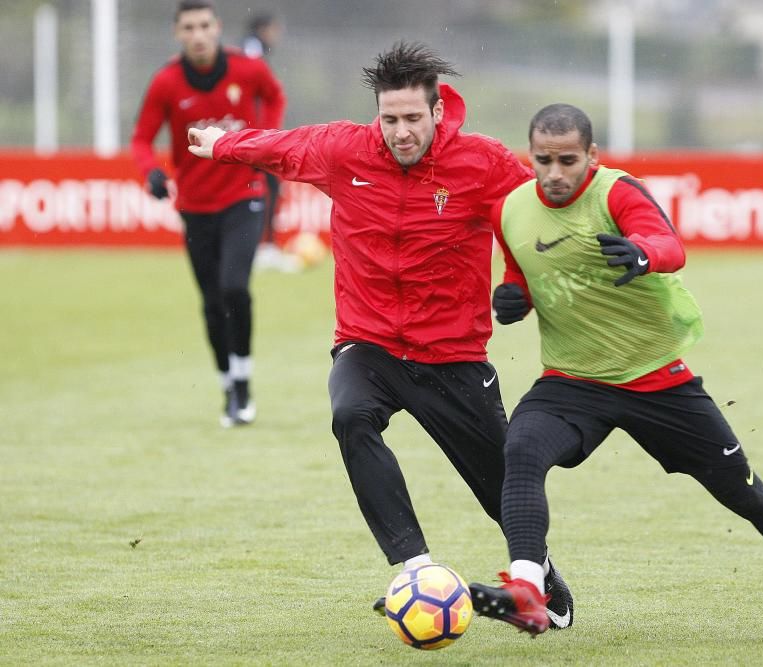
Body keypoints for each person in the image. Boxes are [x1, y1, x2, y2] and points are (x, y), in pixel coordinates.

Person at [468, 103, 763, 640]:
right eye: (543, 160)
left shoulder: (617, 192)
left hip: (659, 381)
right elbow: (521, 273)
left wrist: (643, 255)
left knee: (748, 497)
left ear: (593, 156)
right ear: (528, 156)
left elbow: (670, 244)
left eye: (568, 160)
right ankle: (528, 593)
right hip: (573, 380)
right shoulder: (509, 210)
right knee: (521, 450)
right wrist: (514, 299)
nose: (554, 174)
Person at [186, 42, 575, 626]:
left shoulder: (483, 163)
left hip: (453, 355)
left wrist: (525, 279)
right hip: (367, 344)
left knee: (501, 488)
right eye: (389, 118)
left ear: (438, 112)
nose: (400, 131)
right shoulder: (346, 150)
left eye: (413, 118)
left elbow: (538, 217)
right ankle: (415, 568)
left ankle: (541, 578)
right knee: (350, 416)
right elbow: (282, 148)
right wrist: (221, 144)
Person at [131, 0, 286, 429]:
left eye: (204, 25)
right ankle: (228, 383)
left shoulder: (248, 69)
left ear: (217, 27)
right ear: (177, 34)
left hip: (245, 195)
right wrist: (152, 173)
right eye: (188, 28)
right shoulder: (166, 82)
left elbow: (274, 96)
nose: (197, 34)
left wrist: (265, 141)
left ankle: (244, 381)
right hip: (195, 207)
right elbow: (142, 139)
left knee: (235, 287)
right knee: (212, 303)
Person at [241, 11, 295, 273]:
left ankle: (262, 247)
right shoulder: (253, 52)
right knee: (270, 186)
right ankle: (265, 248)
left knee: (263, 188)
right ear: (264, 29)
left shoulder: (250, 50)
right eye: (274, 29)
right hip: (255, 136)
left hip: (252, 133)